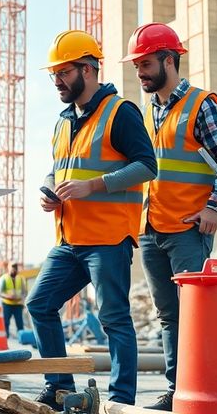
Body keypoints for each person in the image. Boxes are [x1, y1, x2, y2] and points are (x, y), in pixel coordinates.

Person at [27, 30, 157, 409]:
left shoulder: (120, 112)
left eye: (63, 73)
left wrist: (93, 186)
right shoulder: (63, 121)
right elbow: (60, 169)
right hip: (69, 240)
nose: (56, 82)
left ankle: (120, 400)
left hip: (107, 238)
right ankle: (59, 386)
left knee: (114, 318)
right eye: (53, 75)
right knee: (39, 304)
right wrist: (51, 189)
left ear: (88, 68)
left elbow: (147, 166)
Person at [120, 23, 217, 411]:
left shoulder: (202, 104)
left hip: (189, 227)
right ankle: (178, 392)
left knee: (195, 316)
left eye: (146, 63)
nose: (140, 72)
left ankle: (204, 389)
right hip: (153, 227)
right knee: (170, 316)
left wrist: (215, 207)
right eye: (137, 65)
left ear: (169, 60)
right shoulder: (150, 112)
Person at [0, 262, 27, 335]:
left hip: (18, 304)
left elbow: (24, 292)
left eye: (15, 269)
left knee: (20, 323)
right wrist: (7, 296)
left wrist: (21, 298)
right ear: (8, 268)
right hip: (7, 304)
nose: (14, 271)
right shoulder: (3, 278)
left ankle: (21, 338)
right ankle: (5, 337)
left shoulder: (21, 278)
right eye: (12, 269)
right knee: (6, 322)